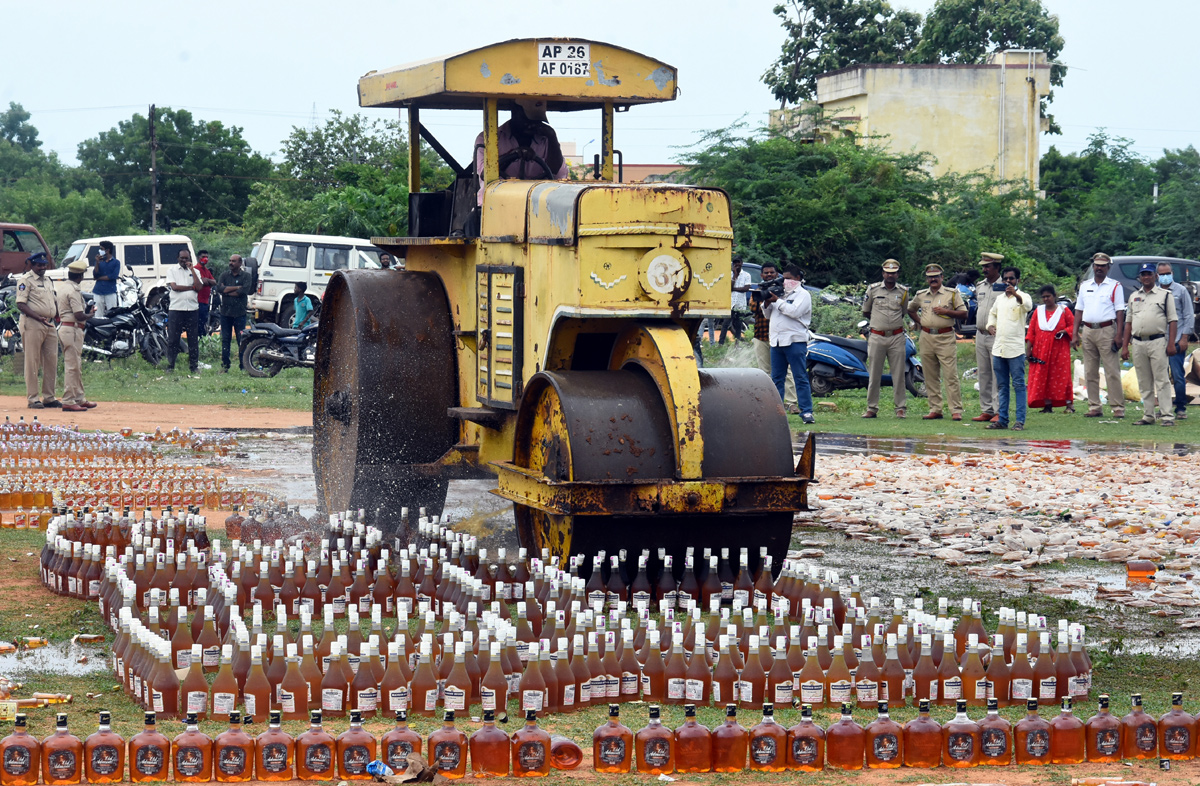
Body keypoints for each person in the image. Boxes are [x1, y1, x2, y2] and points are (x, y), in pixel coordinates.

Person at [473, 99, 568, 203]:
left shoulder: (546, 140)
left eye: (537, 121)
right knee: (472, 219)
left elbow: (557, 174)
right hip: (494, 205)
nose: (531, 124)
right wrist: (512, 155)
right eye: (527, 119)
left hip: (535, 207)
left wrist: (552, 137)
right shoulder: (488, 138)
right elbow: (484, 174)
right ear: (514, 110)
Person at [908, 263, 968, 420]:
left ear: (942, 277)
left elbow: (964, 314)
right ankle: (935, 409)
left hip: (945, 337)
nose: (933, 279)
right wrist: (920, 321)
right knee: (929, 375)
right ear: (927, 279)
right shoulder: (921, 295)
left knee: (950, 375)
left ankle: (956, 410)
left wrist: (946, 312)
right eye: (930, 277)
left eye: (936, 276)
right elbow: (910, 309)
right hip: (926, 336)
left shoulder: (952, 294)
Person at [1122, 262, 1178, 426]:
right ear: (1140, 277)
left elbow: (1173, 320)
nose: (1146, 277)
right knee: (1144, 381)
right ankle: (1148, 415)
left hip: (1158, 341)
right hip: (1138, 343)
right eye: (1143, 274)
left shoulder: (1165, 295)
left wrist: (1171, 344)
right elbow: (1128, 322)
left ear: (1156, 276)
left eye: (1149, 274)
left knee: (1162, 380)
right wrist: (1125, 346)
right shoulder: (1134, 296)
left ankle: (1167, 415)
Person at [1072, 252, 1126, 418]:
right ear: (1093, 266)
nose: (1099, 268)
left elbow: (1120, 311)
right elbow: (1079, 310)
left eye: (1103, 265)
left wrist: (1119, 335)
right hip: (1088, 330)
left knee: (1112, 370)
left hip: (1107, 329)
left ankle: (1118, 407)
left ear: (1108, 267)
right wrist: (1075, 333)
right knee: (1090, 371)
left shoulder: (1115, 286)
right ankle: (1095, 406)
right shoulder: (1085, 285)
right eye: (1097, 265)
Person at [984, 266, 1033, 430]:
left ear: (1017, 280)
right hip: (999, 348)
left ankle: (1019, 421)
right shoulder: (1000, 299)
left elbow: (1027, 306)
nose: (1008, 282)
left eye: (1011, 279)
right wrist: (990, 325)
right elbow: (992, 314)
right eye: (1005, 279)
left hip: (1015, 349)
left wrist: (1016, 293)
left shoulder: (1023, 296)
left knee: (1018, 385)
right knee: (1002, 386)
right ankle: (1002, 420)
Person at [766, 265, 815, 424]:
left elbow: (794, 312)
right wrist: (766, 303)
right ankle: (776, 412)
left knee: (800, 376)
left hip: (795, 341)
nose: (785, 281)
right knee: (776, 378)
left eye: (789, 278)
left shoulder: (803, 294)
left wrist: (777, 301)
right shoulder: (779, 293)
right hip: (777, 341)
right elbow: (767, 315)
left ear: (798, 279)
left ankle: (806, 411)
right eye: (784, 278)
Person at [861, 258, 909, 419]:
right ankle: (871, 408)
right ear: (883, 273)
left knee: (899, 374)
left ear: (897, 274)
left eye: (893, 273)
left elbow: (903, 312)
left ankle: (900, 408)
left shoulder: (903, 292)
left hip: (896, 337)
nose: (890, 275)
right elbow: (866, 311)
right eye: (887, 272)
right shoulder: (873, 290)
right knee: (874, 374)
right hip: (877, 336)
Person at [14, 252, 61, 409]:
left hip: (49, 324)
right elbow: (21, 304)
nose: (42, 268)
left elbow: (53, 301)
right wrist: (37, 317)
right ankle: (33, 398)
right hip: (32, 323)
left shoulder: (48, 280)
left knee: (51, 360)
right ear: (32, 265)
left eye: (44, 265)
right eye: (39, 265)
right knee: (32, 361)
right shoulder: (25, 281)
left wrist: (57, 315)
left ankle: (49, 397)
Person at [751, 262, 797, 412]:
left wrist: (775, 299)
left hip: (781, 336)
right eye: (766, 273)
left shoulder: (784, 291)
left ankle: (791, 403)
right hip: (762, 336)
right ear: (761, 275)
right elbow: (754, 308)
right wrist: (766, 299)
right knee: (764, 372)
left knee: (787, 372)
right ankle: (770, 403)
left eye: (772, 272)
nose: (769, 275)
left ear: (777, 274)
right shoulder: (758, 291)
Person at [1025, 284, 1075, 413]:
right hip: (1040, 351)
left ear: (1054, 296)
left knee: (1062, 375)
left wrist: (1065, 331)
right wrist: (1029, 348)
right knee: (1043, 376)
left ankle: (1069, 404)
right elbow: (1032, 331)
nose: (1046, 299)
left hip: (1059, 350)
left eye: (1048, 296)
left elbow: (1073, 326)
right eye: (1043, 297)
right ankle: (1047, 405)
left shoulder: (1064, 311)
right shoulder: (1038, 311)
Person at [56, 260, 97, 412]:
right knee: (72, 366)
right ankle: (68, 400)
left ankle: (79, 398)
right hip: (72, 329)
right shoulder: (73, 290)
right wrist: (91, 314)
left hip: (67, 328)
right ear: (80, 275)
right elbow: (79, 315)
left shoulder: (63, 287)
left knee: (75, 365)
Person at [1157, 261, 1195, 420]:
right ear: (1157, 275)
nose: (1165, 277)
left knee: (1178, 375)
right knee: (1161, 376)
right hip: (1158, 340)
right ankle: (1164, 408)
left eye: (1168, 273)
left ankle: (1180, 407)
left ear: (1172, 273)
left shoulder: (1181, 291)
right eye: (1162, 274)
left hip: (1178, 339)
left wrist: (1185, 337)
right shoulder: (1154, 292)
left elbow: (1188, 315)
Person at [972, 252, 1006, 422]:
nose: (984, 269)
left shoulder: (1006, 285)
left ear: (997, 267)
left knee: (997, 373)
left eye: (988, 266)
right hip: (981, 334)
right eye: (983, 267)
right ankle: (987, 410)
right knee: (983, 373)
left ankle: (1000, 410)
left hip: (997, 335)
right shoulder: (980, 286)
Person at [166, 249, 203, 373]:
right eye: (182, 258)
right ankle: (170, 366)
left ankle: (194, 366)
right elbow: (175, 287)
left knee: (193, 339)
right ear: (178, 258)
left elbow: (199, 287)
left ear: (190, 259)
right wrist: (191, 287)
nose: (184, 260)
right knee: (173, 339)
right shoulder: (172, 270)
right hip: (176, 309)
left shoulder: (196, 271)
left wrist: (192, 270)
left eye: (186, 258)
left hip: (192, 309)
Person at [216, 255, 252, 372]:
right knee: (225, 339)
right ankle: (225, 365)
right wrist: (236, 287)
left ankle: (243, 365)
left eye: (234, 261)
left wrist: (227, 290)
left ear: (240, 263)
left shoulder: (246, 276)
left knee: (241, 340)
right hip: (225, 313)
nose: (231, 263)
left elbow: (242, 292)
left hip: (239, 314)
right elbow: (220, 290)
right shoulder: (224, 275)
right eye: (230, 260)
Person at [718, 256, 753, 344]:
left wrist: (734, 289)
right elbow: (729, 288)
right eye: (735, 262)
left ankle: (737, 343)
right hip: (730, 303)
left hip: (740, 304)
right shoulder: (729, 274)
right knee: (725, 324)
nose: (737, 264)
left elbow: (746, 288)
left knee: (738, 324)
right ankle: (721, 343)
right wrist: (735, 276)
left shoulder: (747, 275)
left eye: (738, 262)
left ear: (742, 263)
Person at [91, 240, 121, 318]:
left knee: (112, 313)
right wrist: (97, 262)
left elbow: (113, 276)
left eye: (102, 249)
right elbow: (95, 274)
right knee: (98, 314)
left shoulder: (116, 262)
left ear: (107, 250)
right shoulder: (99, 261)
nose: (100, 251)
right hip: (98, 291)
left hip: (110, 291)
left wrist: (99, 278)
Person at [194, 251, 217, 336]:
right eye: (203, 256)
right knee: (199, 323)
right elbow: (201, 281)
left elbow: (214, 282)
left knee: (203, 322)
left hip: (205, 301)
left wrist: (207, 281)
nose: (205, 259)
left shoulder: (206, 270)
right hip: (198, 301)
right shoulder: (196, 269)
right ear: (198, 258)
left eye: (207, 257)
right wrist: (206, 281)